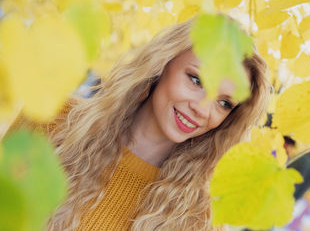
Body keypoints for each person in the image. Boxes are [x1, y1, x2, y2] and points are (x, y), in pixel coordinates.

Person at [11, 16, 271, 230]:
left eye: (224, 103)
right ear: (162, 64)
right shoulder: (54, 120)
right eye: (196, 80)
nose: (203, 109)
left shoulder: (197, 216)